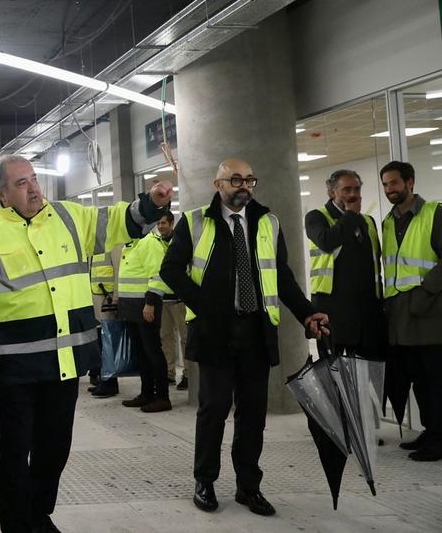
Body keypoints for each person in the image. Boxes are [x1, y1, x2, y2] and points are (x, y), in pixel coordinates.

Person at [0, 154, 174, 533]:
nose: (34, 187)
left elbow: (119, 222)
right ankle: (18, 524)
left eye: (34, 179)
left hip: (65, 362)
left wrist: (152, 202)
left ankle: (38, 513)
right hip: (14, 366)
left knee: (55, 449)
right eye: (21, 183)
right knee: (14, 451)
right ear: (0, 193)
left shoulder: (70, 217)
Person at [161, 158, 329, 517]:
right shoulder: (194, 222)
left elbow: (281, 275)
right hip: (214, 332)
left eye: (250, 180)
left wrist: (306, 312)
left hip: (255, 330)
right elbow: (170, 269)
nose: (244, 186)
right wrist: (203, 304)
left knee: (253, 415)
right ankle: (204, 481)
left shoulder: (267, 221)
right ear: (217, 184)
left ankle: (248, 487)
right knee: (214, 410)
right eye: (235, 179)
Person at [379, 161, 442, 461]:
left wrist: (426, 292)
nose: (390, 189)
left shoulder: (434, 213)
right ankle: (431, 431)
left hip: (430, 312)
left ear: (410, 183)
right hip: (401, 315)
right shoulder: (388, 222)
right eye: (386, 185)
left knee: (436, 377)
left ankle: (440, 438)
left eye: (394, 183)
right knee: (417, 377)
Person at [304, 169, 384, 358]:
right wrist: (350, 215)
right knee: (336, 380)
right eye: (347, 190)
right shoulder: (316, 217)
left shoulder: (368, 221)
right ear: (332, 192)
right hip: (332, 314)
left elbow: (373, 264)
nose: (353, 195)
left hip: (367, 314)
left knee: (374, 375)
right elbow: (327, 241)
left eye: (357, 189)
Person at [116, 211, 178, 412]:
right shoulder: (131, 244)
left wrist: (150, 303)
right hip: (131, 307)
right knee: (141, 353)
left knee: (152, 351)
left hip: (146, 306)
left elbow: (157, 275)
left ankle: (162, 397)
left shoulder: (149, 243)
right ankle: (146, 393)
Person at [87, 250, 120, 398]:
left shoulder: (113, 242)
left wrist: (116, 297)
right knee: (101, 341)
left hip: (107, 300)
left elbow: (119, 268)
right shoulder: (93, 244)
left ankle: (110, 382)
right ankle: (103, 378)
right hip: (95, 299)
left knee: (108, 343)